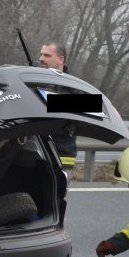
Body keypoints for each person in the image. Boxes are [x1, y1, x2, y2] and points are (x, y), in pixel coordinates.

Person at [38, 42, 77, 173]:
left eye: (47, 55)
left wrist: (52, 103)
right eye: (41, 54)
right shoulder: (34, 81)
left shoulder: (75, 87)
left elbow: (102, 107)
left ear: (61, 59)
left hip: (61, 157)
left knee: (53, 193)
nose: (41, 59)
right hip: (34, 154)